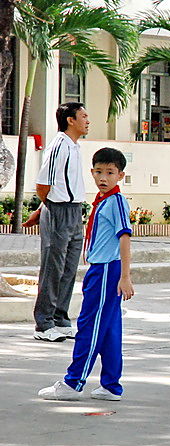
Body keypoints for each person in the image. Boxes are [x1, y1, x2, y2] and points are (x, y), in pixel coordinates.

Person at [38, 147, 134, 400]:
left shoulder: (116, 201)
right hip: (100, 269)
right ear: (91, 172)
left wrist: (125, 276)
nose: (103, 177)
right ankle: (111, 384)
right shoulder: (103, 201)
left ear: (120, 175)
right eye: (99, 172)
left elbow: (125, 237)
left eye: (110, 173)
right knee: (110, 328)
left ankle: (73, 381)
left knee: (89, 326)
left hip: (106, 271)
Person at [28, 102, 89, 342]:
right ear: (70, 120)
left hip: (75, 211)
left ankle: (60, 319)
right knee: (53, 268)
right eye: (83, 116)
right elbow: (44, 184)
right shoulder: (59, 146)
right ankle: (43, 324)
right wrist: (49, 207)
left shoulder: (75, 147)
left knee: (69, 267)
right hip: (59, 210)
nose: (88, 120)